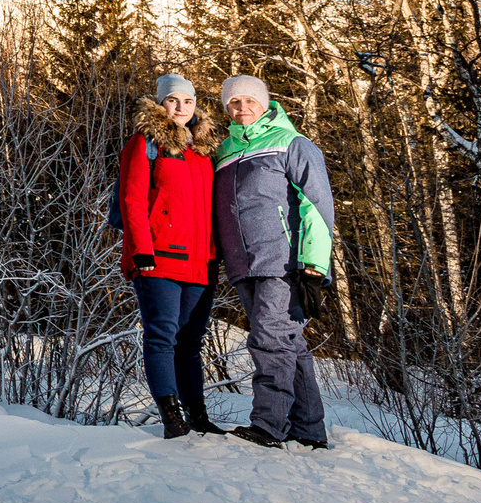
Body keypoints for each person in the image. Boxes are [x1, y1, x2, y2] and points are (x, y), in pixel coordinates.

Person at [212, 74, 336, 449]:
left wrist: (314, 266)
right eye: (234, 102)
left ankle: (268, 426)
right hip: (241, 264)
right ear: (227, 109)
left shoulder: (291, 143)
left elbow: (318, 205)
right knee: (288, 344)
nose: (243, 107)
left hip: (282, 262)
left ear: (266, 104)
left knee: (269, 340)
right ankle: (310, 430)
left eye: (250, 100)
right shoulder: (223, 152)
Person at [119, 73, 224, 438]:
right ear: (161, 103)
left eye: (188, 101)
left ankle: (198, 416)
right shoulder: (146, 143)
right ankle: (172, 419)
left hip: (202, 262)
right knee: (162, 336)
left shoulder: (204, 150)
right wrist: (141, 252)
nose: (181, 108)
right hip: (159, 258)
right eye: (173, 100)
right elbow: (132, 200)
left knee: (191, 342)